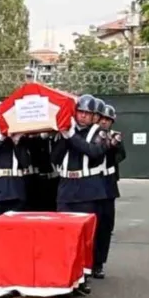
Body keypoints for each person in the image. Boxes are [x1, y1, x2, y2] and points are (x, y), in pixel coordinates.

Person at [52, 94, 108, 272]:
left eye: (87, 113)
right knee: (63, 230)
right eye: (80, 111)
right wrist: (63, 137)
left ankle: (86, 269)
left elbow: (94, 152)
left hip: (88, 186)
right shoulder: (66, 131)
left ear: (94, 116)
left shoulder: (100, 132)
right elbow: (54, 158)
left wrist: (72, 137)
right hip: (66, 185)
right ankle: (66, 268)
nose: (83, 115)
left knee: (86, 233)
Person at [95, 102, 125, 278]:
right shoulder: (91, 136)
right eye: (102, 118)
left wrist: (112, 148)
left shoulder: (115, 136)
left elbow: (122, 154)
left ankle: (99, 263)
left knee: (106, 225)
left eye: (108, 119)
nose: (105, 122)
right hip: (93, 180)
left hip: (108, 182)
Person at [22, 132, 58, 211]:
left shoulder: (55, 138)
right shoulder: (26, 140)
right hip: (33, 181)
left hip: (54, 179)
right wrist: (40, 137)